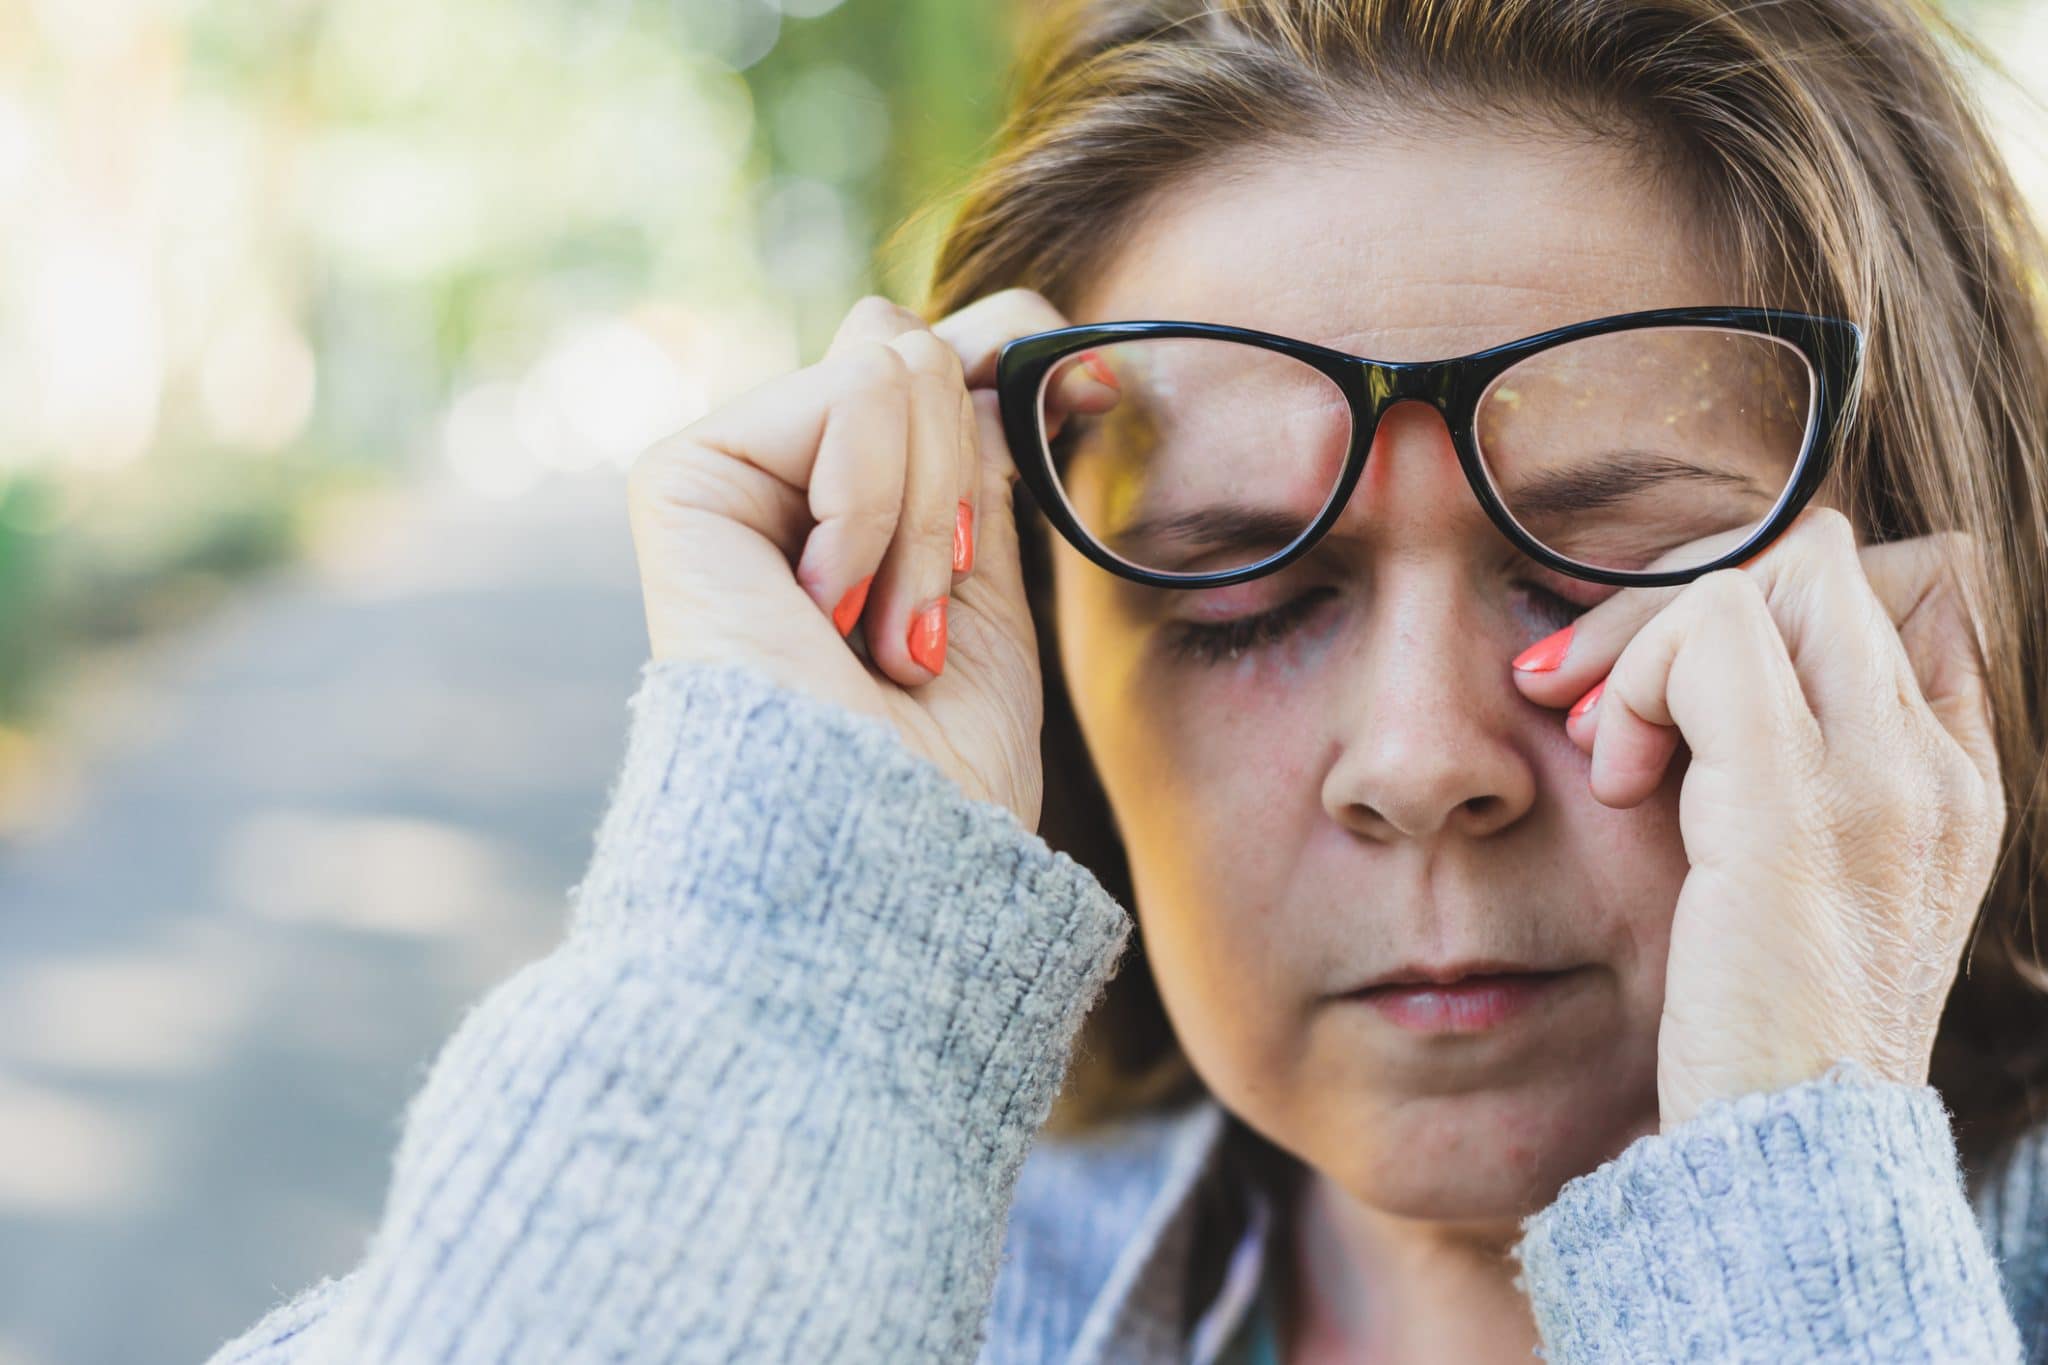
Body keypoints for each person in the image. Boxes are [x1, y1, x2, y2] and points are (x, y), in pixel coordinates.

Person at [206, 0, 2048, 1360]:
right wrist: (797, 955)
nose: (1420, 757)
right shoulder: (879, 1267)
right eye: (1238, 592)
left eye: (1614, 562)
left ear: (1935, 605)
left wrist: (1796, 1199)